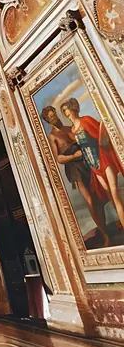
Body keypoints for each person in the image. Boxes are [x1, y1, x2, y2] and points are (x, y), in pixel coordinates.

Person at [61, 97, 124, 243]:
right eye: (63, 111)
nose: (66, 113)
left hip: (103, 159)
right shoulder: (72, 129)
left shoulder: (86, 120)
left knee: (114, 194)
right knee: (109, 194)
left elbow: (101, 135)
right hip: (93, 165)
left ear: (73, 108)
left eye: (67, 109)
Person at [42, 105, 108, 244]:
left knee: (97, 197)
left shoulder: (68, 127)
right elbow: (58, 158)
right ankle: (104, 234)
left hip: (85, 161)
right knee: (90, 200)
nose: (55, 118)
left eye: (55, 114)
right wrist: (73, 155)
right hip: (74, 168)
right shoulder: (53, 136)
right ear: (48, 121)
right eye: (51, 117)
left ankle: (104, 229)